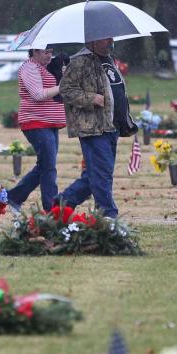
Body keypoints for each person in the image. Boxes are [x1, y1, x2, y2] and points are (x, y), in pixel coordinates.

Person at [58, 37, 118, 218]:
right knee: (101, 174)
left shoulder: (107, 59)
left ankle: (63, 203)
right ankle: (108, 215)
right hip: (92, 128)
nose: (111, 42)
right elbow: (65, 89)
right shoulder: (79, 62)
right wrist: (91, 99)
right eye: (106, 39)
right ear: (93, 41)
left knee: (96, 174)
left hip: (110, 126)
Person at [6, 47, 67, 212]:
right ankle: (51, 208)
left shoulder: (47, 67)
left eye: (51, 51)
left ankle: (14, 197)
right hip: (35, 122)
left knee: (45, 165)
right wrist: (63, 86)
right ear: (34, 52)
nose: (49, 55)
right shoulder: (29, 68)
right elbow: (38, 94)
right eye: (45, 51)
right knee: (49, 167)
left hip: (50, 123)